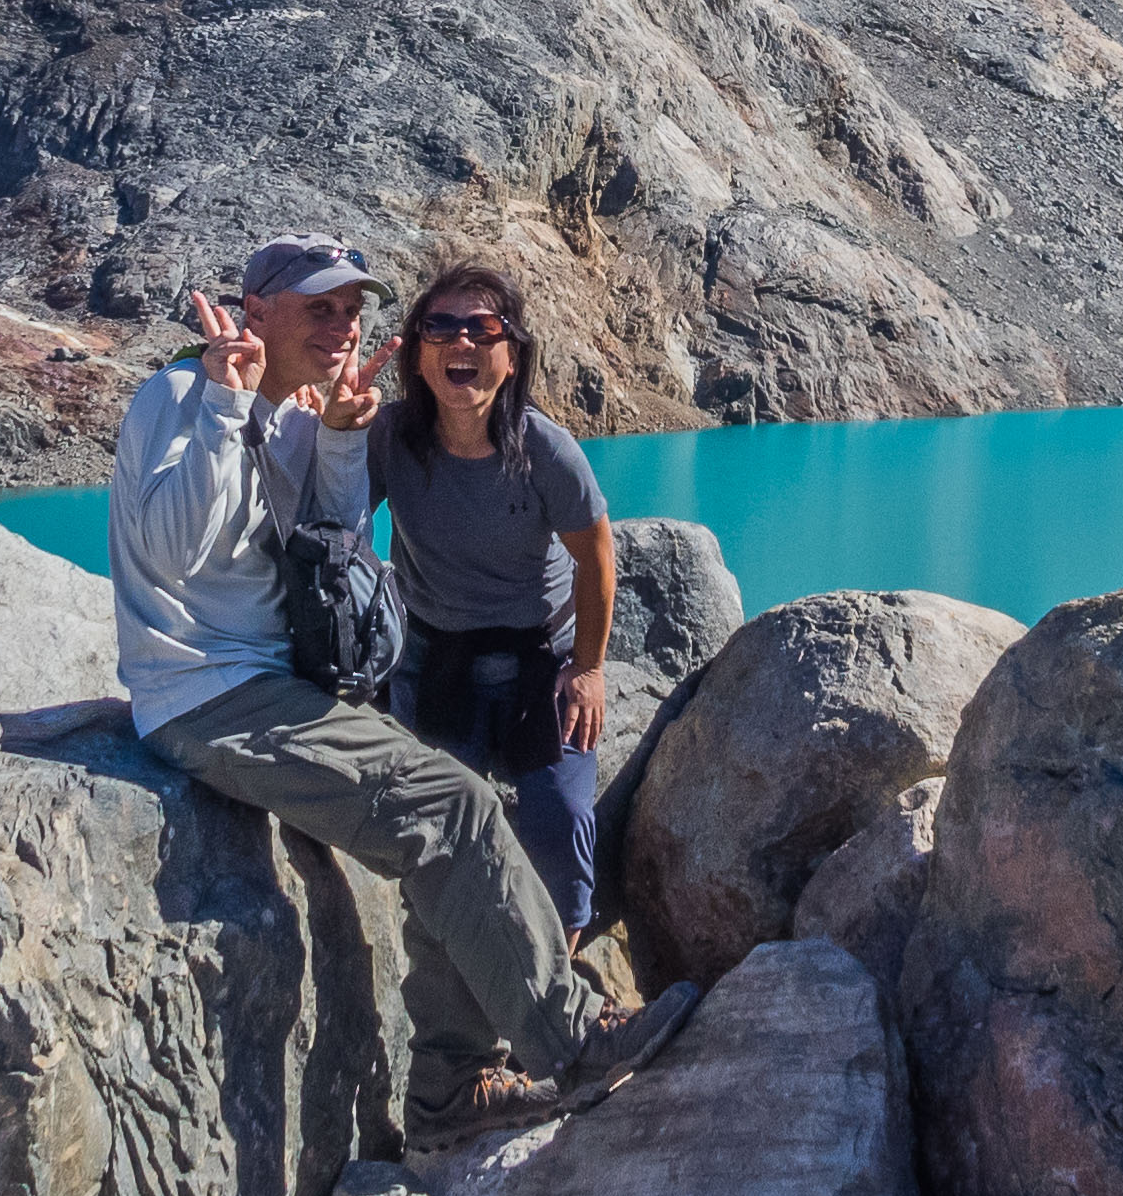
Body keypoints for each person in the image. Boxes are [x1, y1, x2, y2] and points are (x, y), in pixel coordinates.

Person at [109, 231, 693, 1147]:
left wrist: (339, 440)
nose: (343, 325)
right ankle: (570, 1043)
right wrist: (228, 401)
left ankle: (449, 1092)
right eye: (319, 307)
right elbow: (177, 555)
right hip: (207, 692)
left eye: (352, 308)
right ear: (255, 310)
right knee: (453, 805)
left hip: (287, 681)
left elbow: (333, 545)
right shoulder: (178, 396)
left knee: (451, 826)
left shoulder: (308, 414)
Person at [374, 261, 613, 938]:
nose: (462, 344)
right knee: (436, 827)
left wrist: (590, 670)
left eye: (484, 329)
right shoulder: (389, 438)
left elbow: (596, 560)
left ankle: (562, 970)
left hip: (541, 662)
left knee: (559, 822)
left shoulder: (545, 451)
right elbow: (330, 521)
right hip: (434, 657)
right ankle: (460, 981)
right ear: (417, 354)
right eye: (440, 327)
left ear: (512, 358)